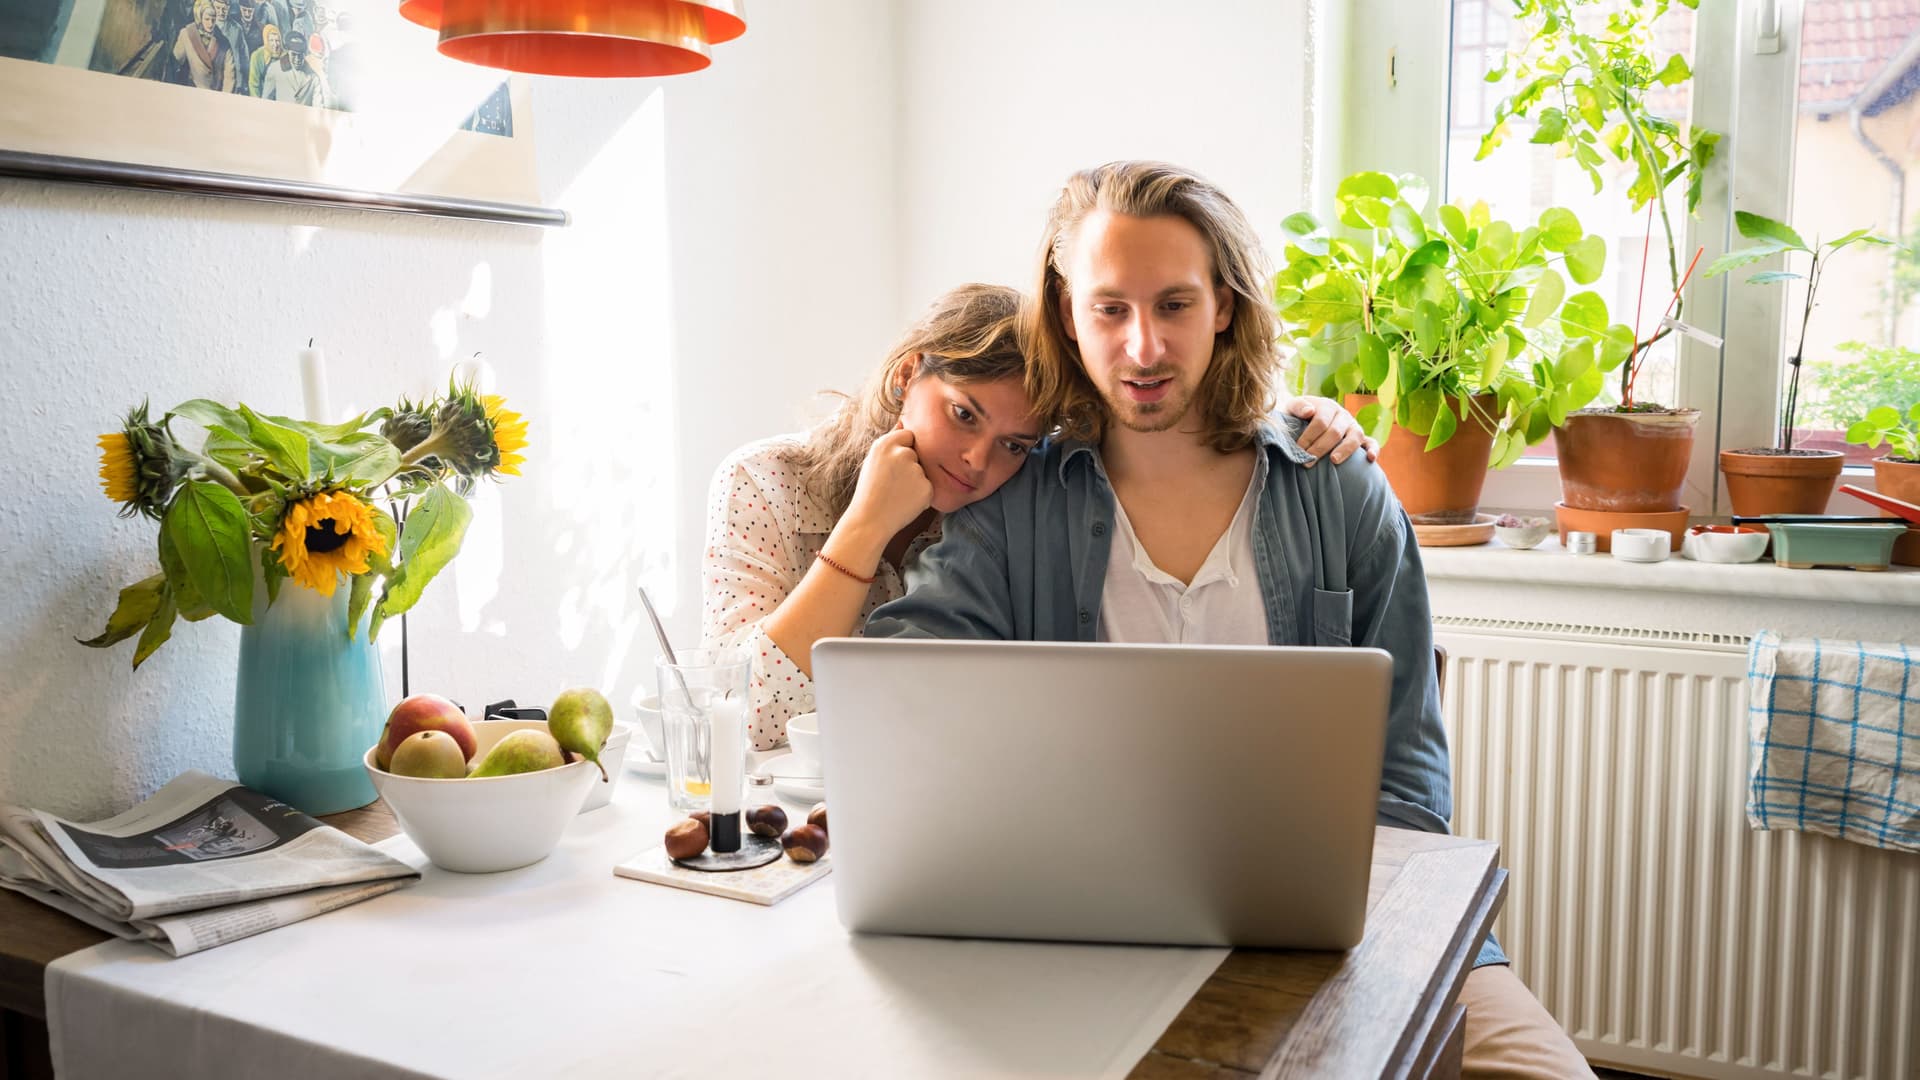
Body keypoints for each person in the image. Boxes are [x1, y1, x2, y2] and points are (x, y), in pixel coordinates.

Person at [864, 162, 1594, 1079]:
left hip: (1342, 927)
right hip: (1083, 937)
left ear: (1223, 305)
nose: (1142, 348)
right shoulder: (1015, 506)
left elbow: (1409, 782)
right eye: (1109, 309)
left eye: (1174, 304)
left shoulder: (1341, 490)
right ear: (1064, 313)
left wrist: (1337, 923)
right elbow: (896, 698)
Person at [700, 283, 1371, 751]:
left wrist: (1287, 417)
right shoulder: (765, 485)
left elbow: (1147, 418)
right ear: (908, 377)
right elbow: (741, 715)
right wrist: (865, 529)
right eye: (963, 414)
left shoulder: (1008, 513)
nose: (974, 460)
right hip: (768, 825)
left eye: (1014, 445)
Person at [171, 0, 238, 92]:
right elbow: (174, 63)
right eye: (207, 19)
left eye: (213, 19)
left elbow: (229, 77)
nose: (210, 24)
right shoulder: (187, 34)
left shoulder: (224, 42)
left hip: (215, 93)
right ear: (199, 18)